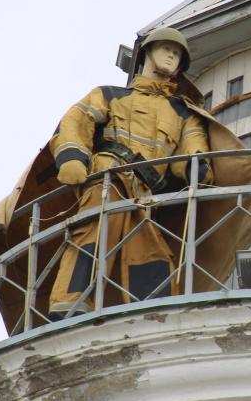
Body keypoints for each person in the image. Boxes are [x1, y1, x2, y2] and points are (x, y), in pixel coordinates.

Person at [47, 27, 213, 317]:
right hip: (107, 177)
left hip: (144, 194)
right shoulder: (110, 95)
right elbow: (75, 121)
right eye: (166, 48)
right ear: (147, 53)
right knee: (95, 231)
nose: (171, 55)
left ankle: (151, 315)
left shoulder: (183, 114)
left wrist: (196, 169)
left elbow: (194, 147)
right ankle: (71, 302)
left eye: (177, 54)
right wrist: (72, 157)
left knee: (150, 252)